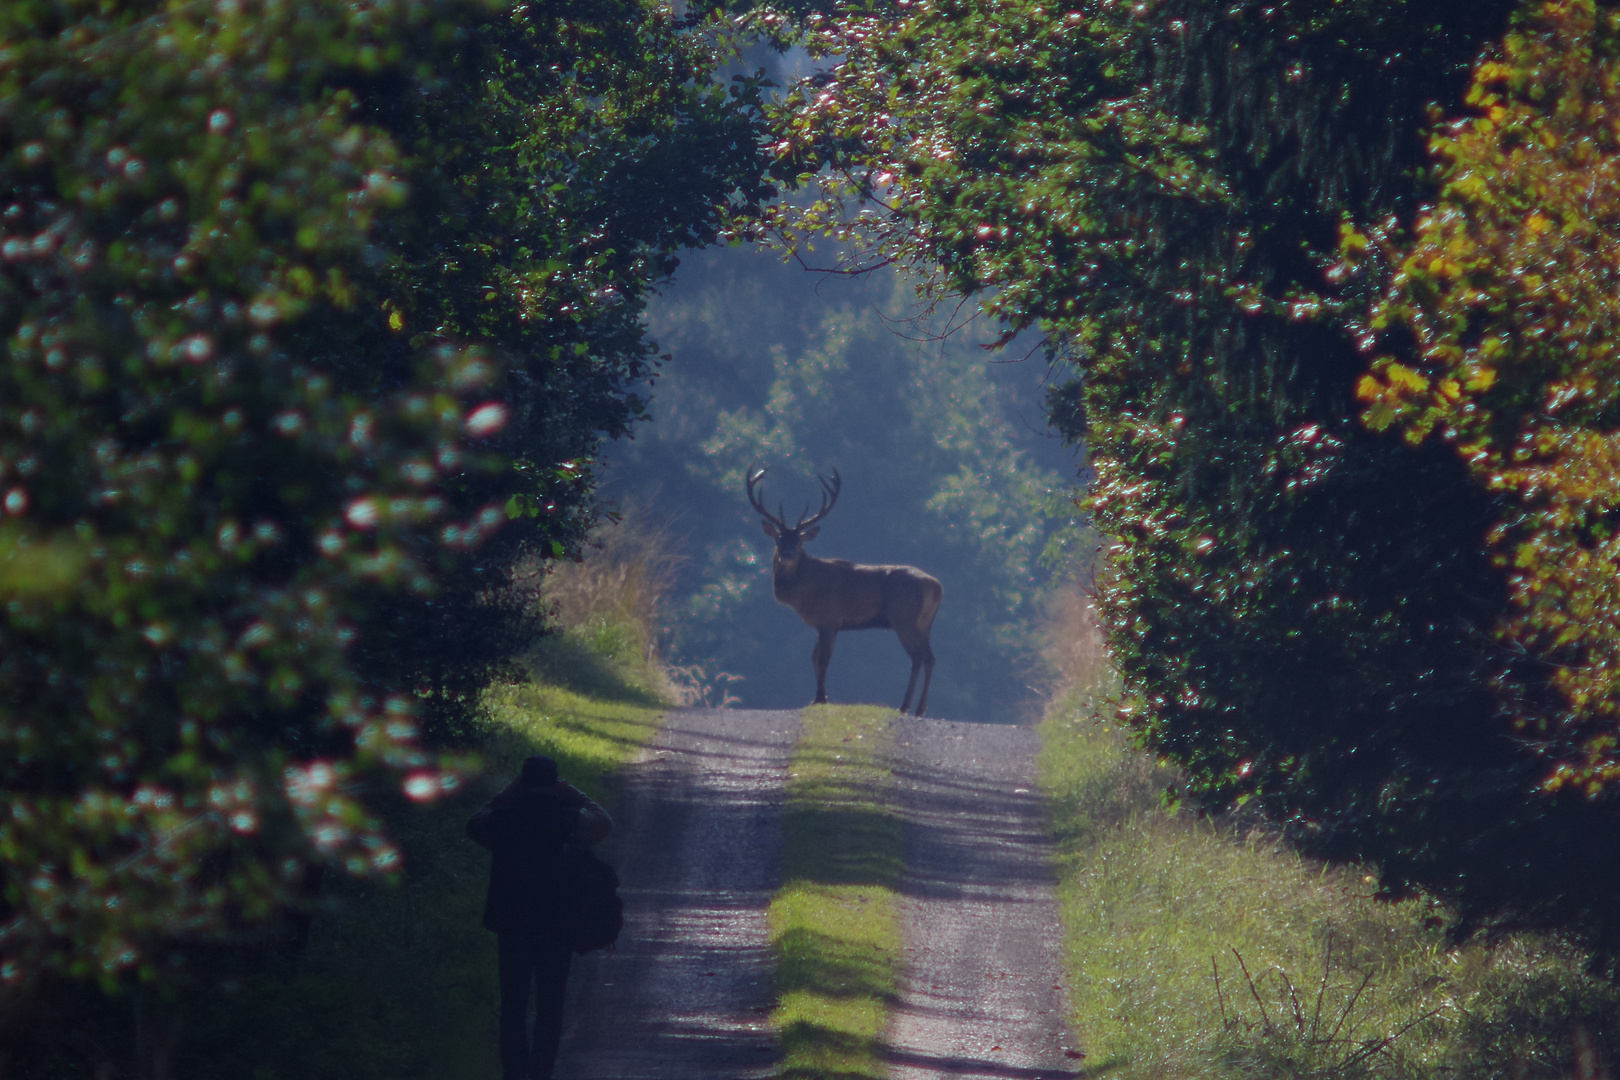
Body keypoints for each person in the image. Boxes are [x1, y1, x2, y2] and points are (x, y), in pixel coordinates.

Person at [467, 754, 612, 1080]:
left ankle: (514, 1072)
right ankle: (541, 1071)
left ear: (523, 781)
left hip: (512, 924)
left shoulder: (504, 818)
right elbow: (604, 822)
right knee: (551, 1004)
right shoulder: (570, 820)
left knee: (513, 1005)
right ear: (554, 781)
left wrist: (506, 794)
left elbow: (473, 824)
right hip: (557, 925)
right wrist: (571, 791)